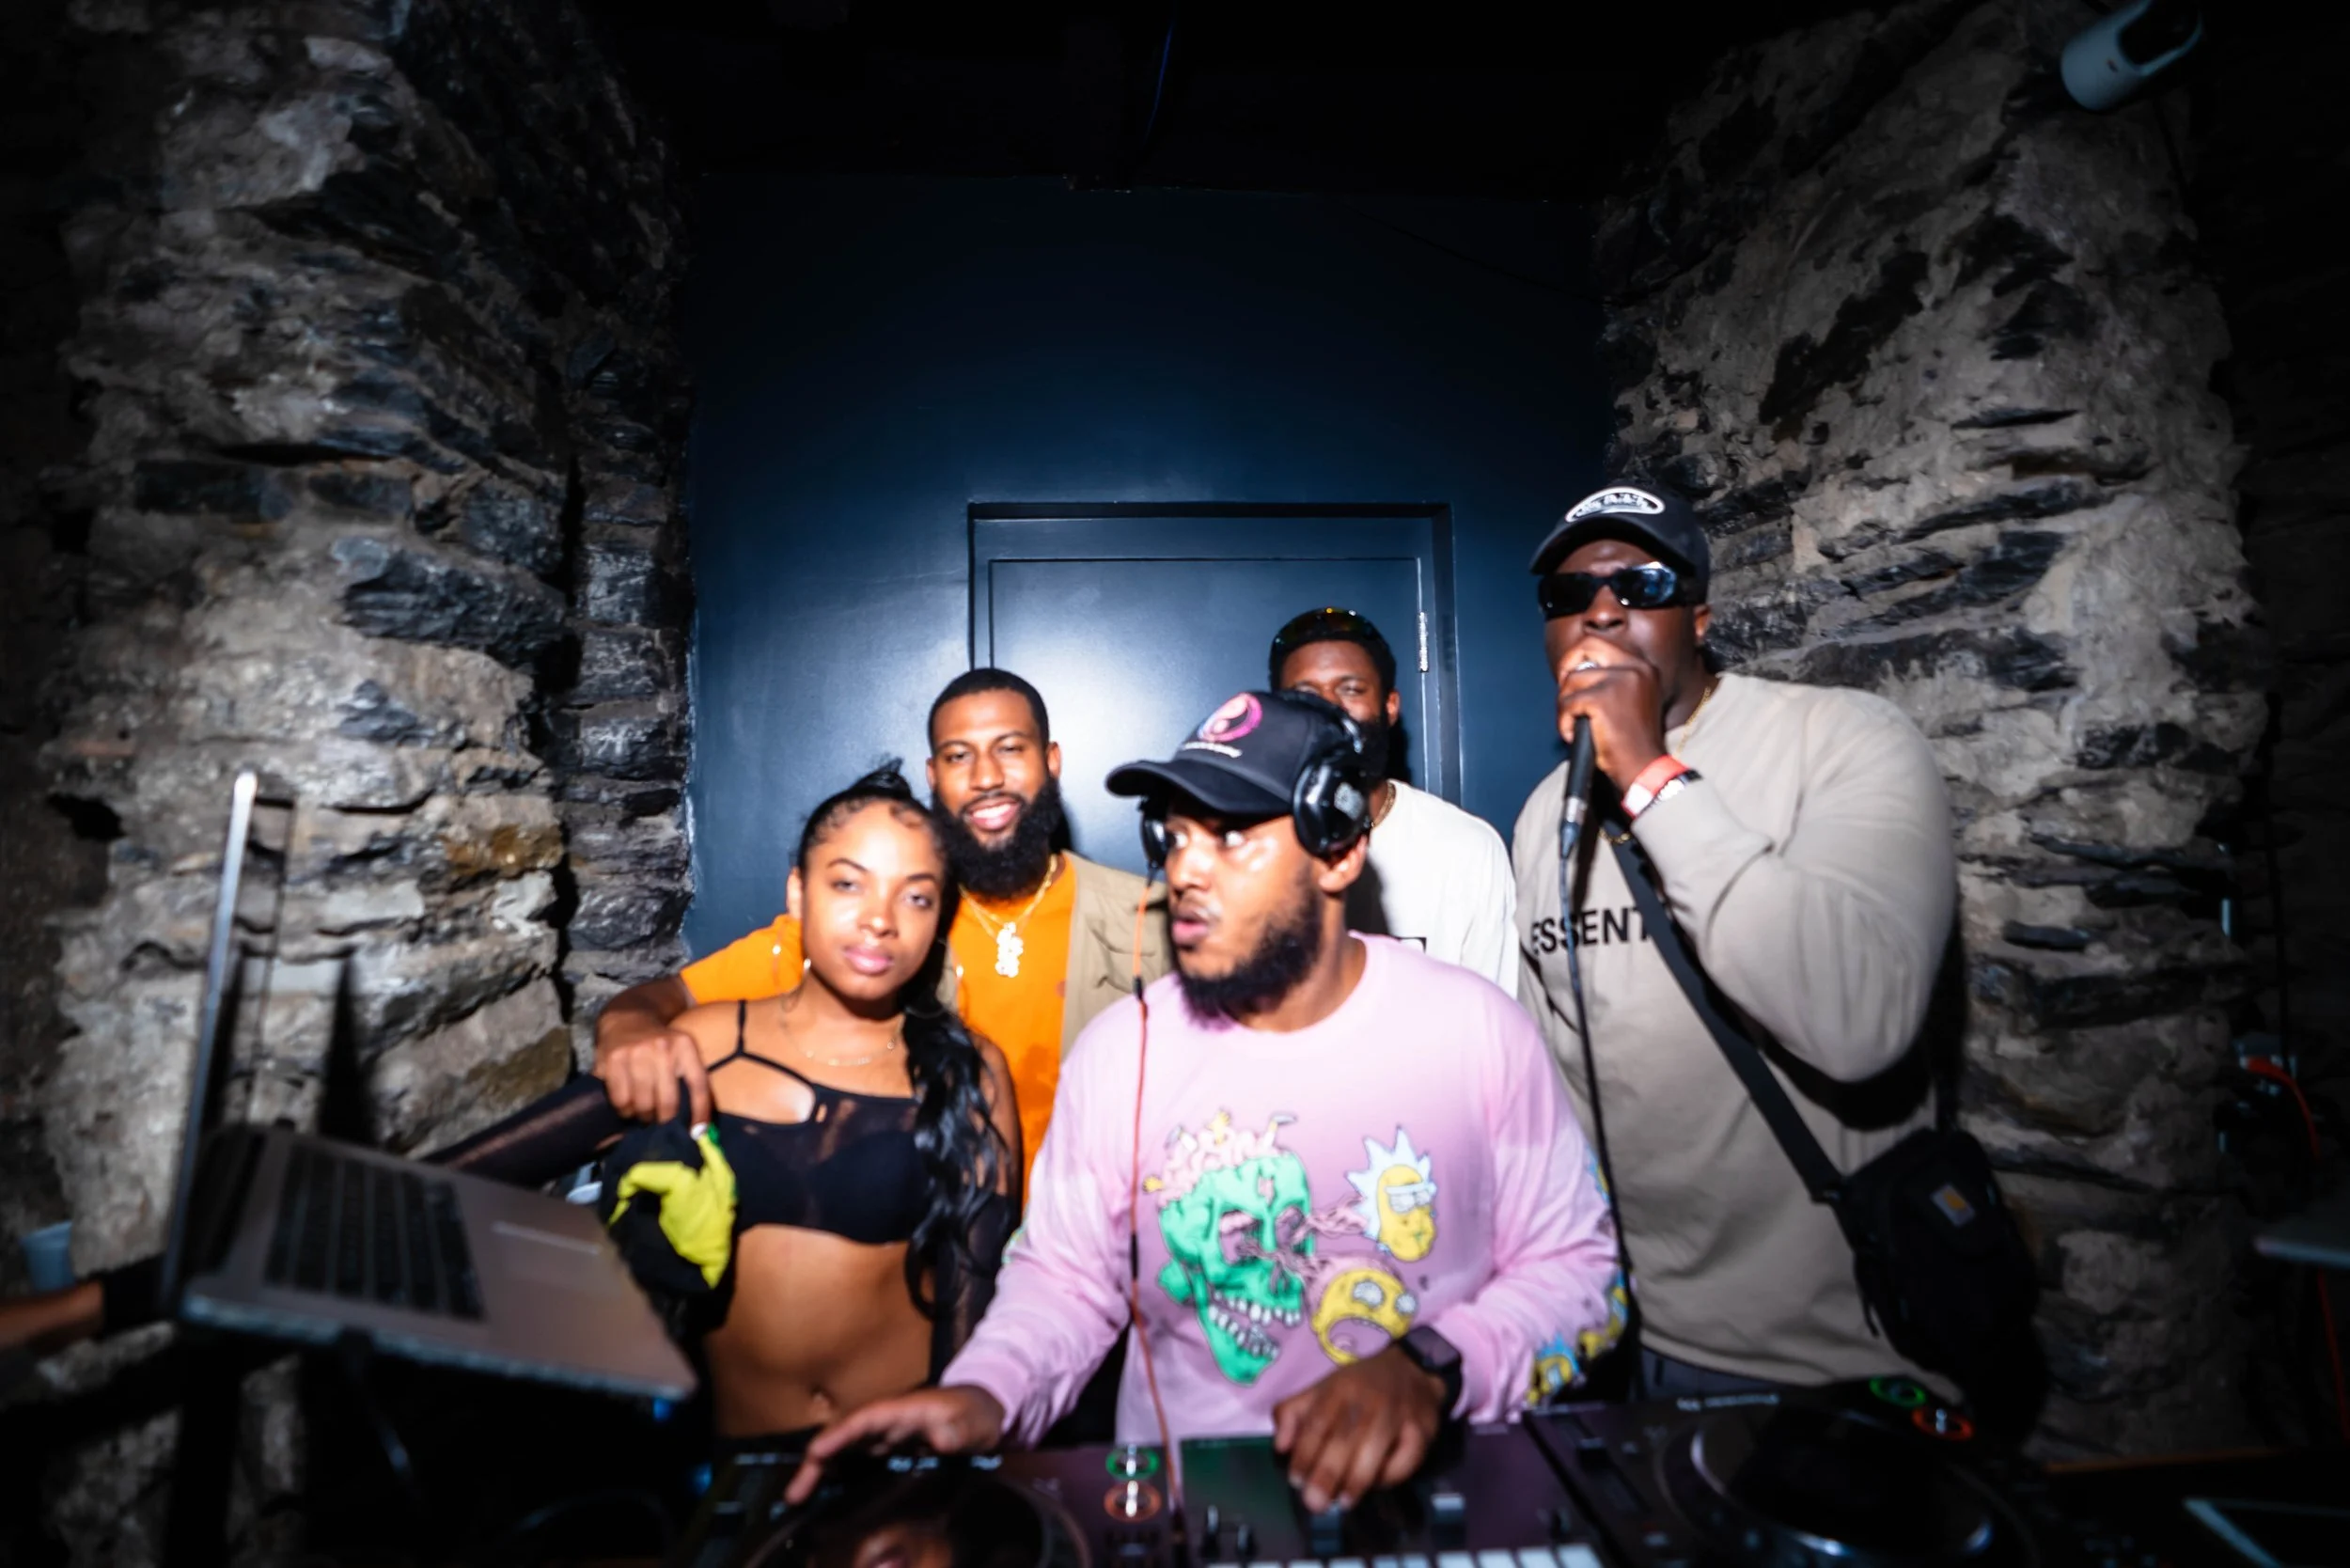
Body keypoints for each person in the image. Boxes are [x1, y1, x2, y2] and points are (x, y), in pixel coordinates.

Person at [788, 691, 1622, 1515]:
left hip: (1443, 1502)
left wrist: (1434, 1365)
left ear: (1337, 852)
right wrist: (986, 1394)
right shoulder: (1122, 1052)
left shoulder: (1477, 1029)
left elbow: (1585, 1275)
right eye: (1176, 835)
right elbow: (1064, 1284)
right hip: (1194, 1514)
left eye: (1230, 836)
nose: (1185, 870)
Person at [1511, 483, 1959, 1395]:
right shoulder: (1540, 816)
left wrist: (1649, 775)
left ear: (1700, 619)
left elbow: (1859, 1023)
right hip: (1620, 1334)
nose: (1602, 610)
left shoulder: (1839, 741)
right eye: (1569, 594)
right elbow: (1554, 1083)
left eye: (1641, 585)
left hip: (1834, 1355)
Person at [596, 668, 1171, 1193]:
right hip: (936, 1241)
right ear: (933, 776)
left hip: (1105, 1252)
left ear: (1051, 760)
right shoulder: (884, 926)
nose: (986, 777)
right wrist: (627, 1026)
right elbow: (671, 997)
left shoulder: (1150, 918)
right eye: (959, 756)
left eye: (1010, 749)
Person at [601, 765, 1024, 1440]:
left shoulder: (969, 1073)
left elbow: (972, 1301)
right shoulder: (707, 1044)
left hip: (894, 1462)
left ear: (939, 917)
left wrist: (942, 1474)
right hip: (727, 1459)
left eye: (916, 897)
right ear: (798, 893)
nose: (879, 920)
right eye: (848, 884)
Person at [1270, 607, 1517, 990]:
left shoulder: (1466, 848)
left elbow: (1494, 1015)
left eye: (1351, 690)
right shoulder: (1246, 849)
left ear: (1390, 707)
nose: (1330, 709)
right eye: (1305, 695)